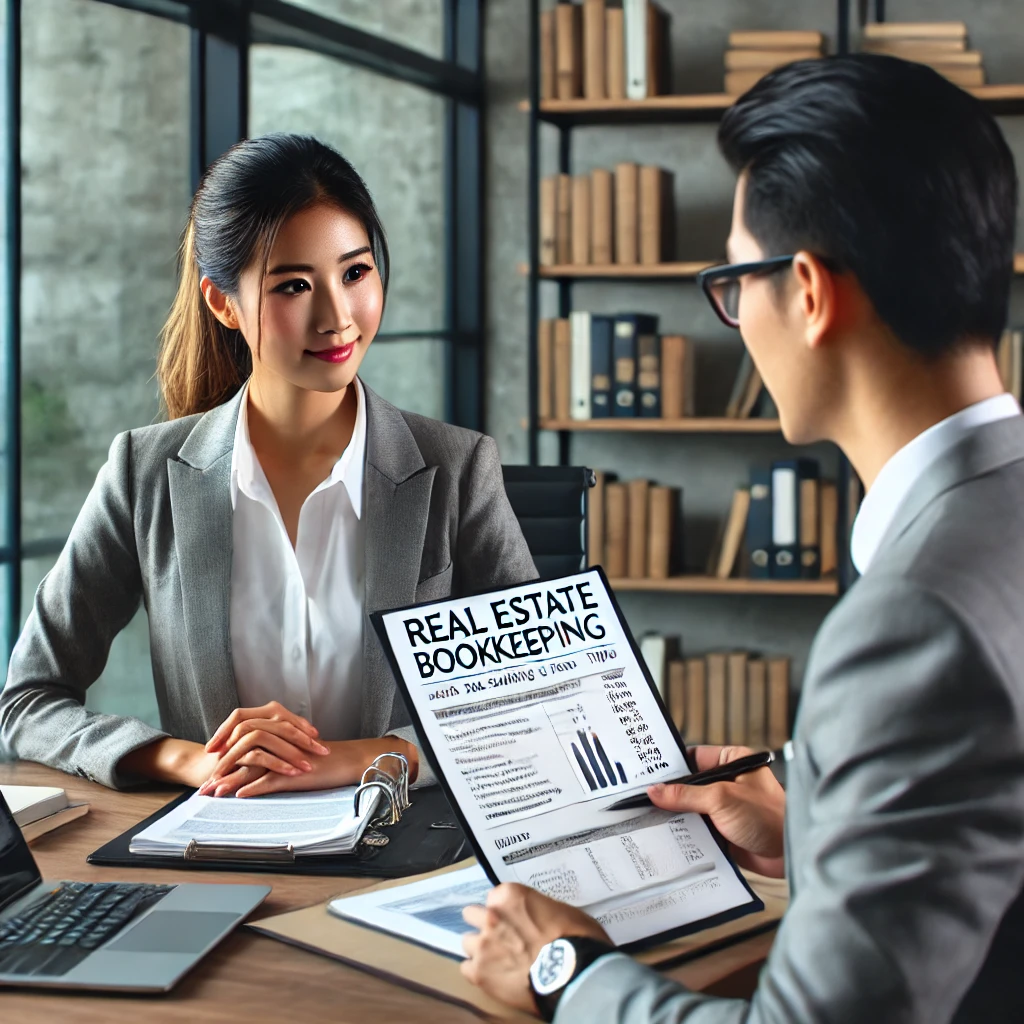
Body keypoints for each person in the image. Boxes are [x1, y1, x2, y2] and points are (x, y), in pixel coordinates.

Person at [460, 54, 1024, 1023]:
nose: (735, 314)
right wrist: (810, 814)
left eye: (734, 279)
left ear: (806, 291)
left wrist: (564, 970)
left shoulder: (913, 616)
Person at [0, 132, 536, 797]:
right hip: (219, 850)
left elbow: (536, 706)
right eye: (292, 286)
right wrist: (185, 759)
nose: (337, 317)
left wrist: (371, 757)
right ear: (222, 302)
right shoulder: (145, 472)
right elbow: (26, 701)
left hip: (402, 857)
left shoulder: (458, 469)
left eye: (355, 272)